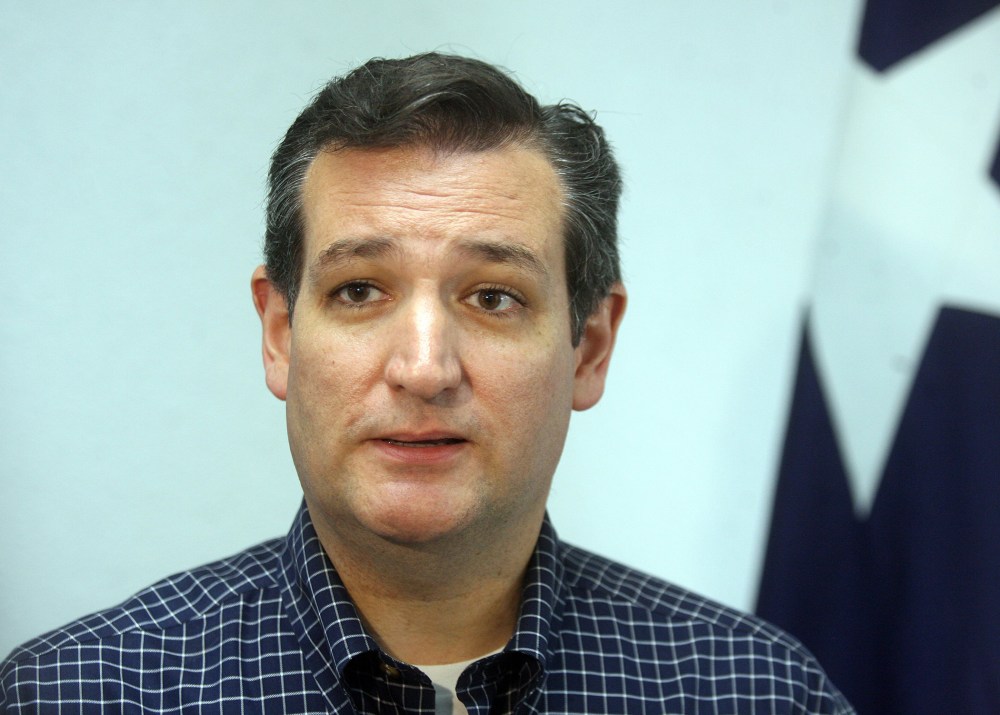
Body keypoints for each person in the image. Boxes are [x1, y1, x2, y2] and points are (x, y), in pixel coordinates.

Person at [0, 53, 854, 714]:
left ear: (588, 346)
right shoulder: (78, 691)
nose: (423, 368)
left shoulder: (759, 690)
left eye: (492, 296)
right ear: (280, 333)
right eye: (359, 290)